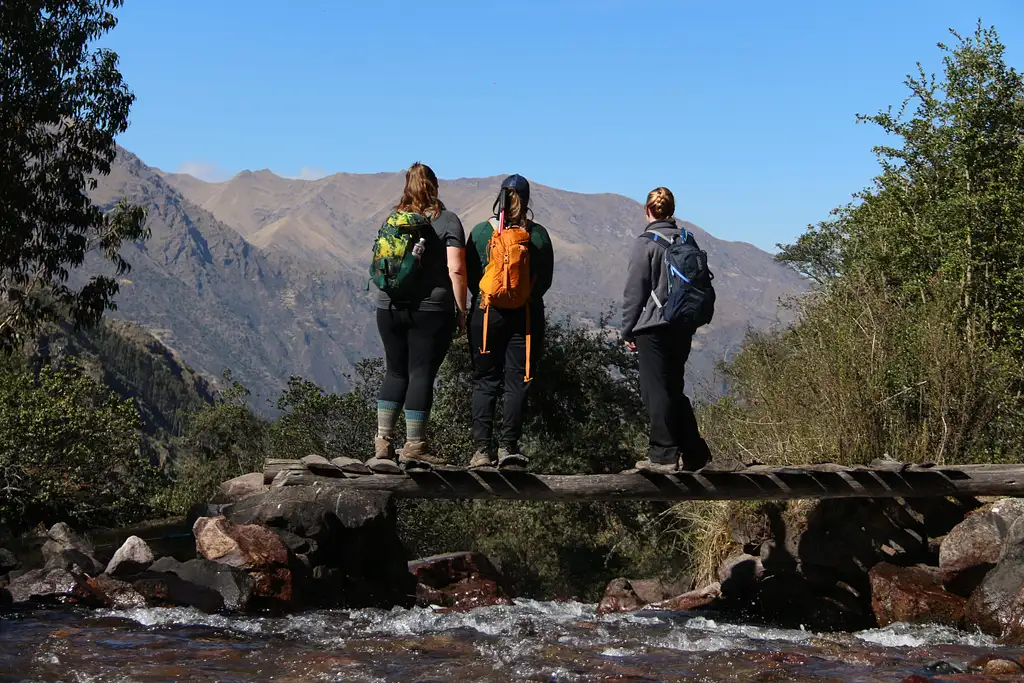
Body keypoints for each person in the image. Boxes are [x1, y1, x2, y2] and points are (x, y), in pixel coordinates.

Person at [366, 162, 467, 473]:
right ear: (434, 186)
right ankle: (414, 447)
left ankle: (383, 443)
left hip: (389, 306)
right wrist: (461, 311)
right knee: (421, 374)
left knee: (395, 372)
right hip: (430, 310)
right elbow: (457, 269)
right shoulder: (447, 220)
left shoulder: (392, 221)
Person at [621, 187, 714, 473]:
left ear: (647, 211)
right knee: (673, 388)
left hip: (653, 327)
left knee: (654, 391)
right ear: (671, 210)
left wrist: (627, 329)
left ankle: (663, 455)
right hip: (682, 325)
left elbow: (635, 291)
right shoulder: (687, 239)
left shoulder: (646, 243)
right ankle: (695, 452)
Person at [465, 174, 554, 469]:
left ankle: (481, 451)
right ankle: (508, 448)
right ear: (527, 200)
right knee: (518, 381)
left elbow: (472, 276)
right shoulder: (537, 236)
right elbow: (545, 280)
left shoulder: (481, 232)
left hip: (487, 315)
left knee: (485, 380)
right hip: (525, 317)